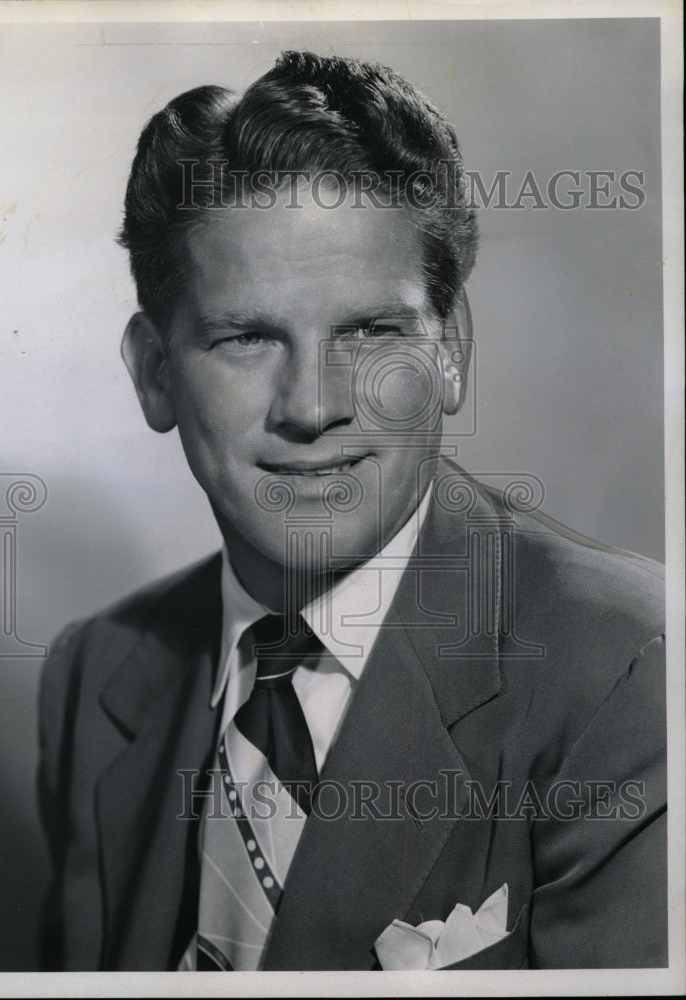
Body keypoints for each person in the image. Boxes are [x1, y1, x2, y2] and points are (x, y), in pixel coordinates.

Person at [36, 50, 667, 972]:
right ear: (154, 372)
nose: (313, 405)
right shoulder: (94, 674)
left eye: (371, 332)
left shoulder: (627, 674)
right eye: (247, 336)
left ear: (450, 353)